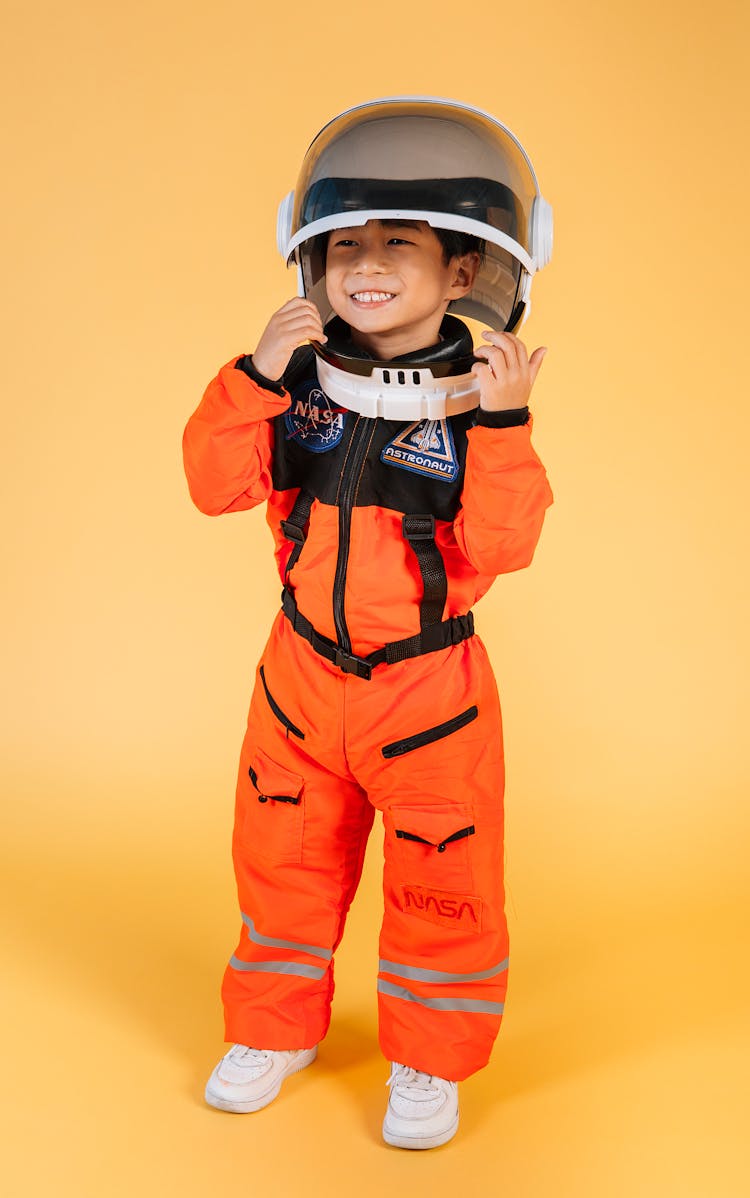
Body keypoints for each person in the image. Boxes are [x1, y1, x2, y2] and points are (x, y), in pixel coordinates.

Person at [182, 97, 554, 1150]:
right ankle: (273, 1028)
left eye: (401, 244)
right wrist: (255, 377)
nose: (368, 263)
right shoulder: (289, 383)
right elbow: (212, 485)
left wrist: (507, 425)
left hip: (428, 698)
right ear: (312, 262)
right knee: (282, 865)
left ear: (466, 273)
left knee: (445, 889)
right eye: (347, 244)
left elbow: (504, 546)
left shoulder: (482, 401)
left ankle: (428, 1063)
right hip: (300, 684)